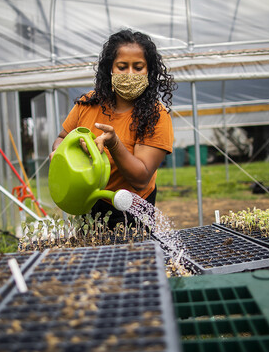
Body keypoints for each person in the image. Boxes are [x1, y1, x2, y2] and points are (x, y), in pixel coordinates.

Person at [50, 29, 175, 231]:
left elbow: (141, 178)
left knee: (133, 261)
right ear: (110, 69)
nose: (130, 74)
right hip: (88, 201)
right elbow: (62, 138)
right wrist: (59, 153)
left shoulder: (155, 115)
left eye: (138, 67)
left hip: (131, 210)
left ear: (149, 71)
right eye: (122, 67)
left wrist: (114, 143)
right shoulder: (89, 103)